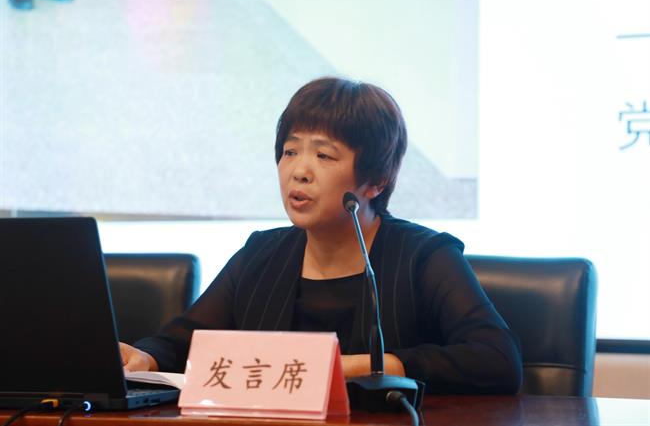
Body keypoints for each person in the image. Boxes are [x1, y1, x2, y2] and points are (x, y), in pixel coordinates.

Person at [120, 77, 523, 394]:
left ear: (377, 181)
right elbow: (182, 342)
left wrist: (370, 366)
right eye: (290, 151)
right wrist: (145, 357)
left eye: (324, 155)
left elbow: (498, 360)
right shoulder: (262, 253)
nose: (299, 171)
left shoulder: (424, 256)